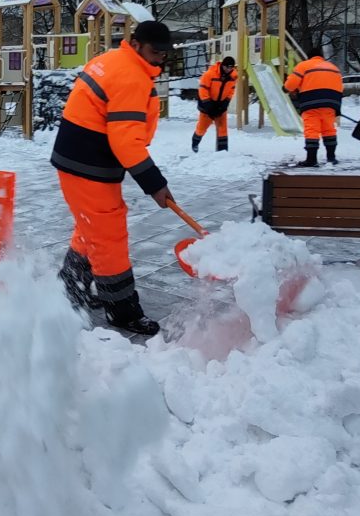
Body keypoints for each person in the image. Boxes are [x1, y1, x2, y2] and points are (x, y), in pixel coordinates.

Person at [49, 19, 175, 336]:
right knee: (109, 233)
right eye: (154, 51)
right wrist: (156, 186)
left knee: (93, 225)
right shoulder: (130, 75)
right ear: (135, 44)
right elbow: (125, 141)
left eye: (164, 52)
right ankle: (121, 309)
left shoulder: (114, 61)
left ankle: (72, 288)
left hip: (82, 158)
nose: (159, 57)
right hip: (89, 162)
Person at [284, 47, 344, 167]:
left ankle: (311, 159)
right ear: (321, 56)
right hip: (331, 103)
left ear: (309, 56)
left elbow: (291, 84)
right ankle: (331, 157)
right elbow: (340, 88)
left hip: (311, 103)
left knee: (312, 130)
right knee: (329, 130)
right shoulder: (334, 68)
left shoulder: (304, 66)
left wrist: (285, 88)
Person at [192, 55, 237, 153]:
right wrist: (208, 104)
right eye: (227, 67)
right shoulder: (210, 74)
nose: (229, 70)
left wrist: (225, 103)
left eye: (231, 67)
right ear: (223, 65)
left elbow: (231, 90)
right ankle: (195, 142)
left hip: (221, 105)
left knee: (222, 129)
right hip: (207, 105)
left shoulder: (233, 76)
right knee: (202, 128)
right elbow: (203, 89)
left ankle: (222, 150)